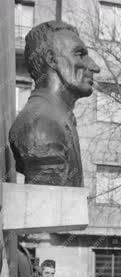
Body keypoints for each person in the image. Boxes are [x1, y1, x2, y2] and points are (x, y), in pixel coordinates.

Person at [9, 20, 99, 186]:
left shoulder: (59, 120)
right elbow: (47, 208)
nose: (94, 67)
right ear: (51, 59)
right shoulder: (41, 123)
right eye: (80, 54)